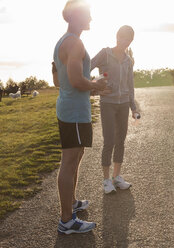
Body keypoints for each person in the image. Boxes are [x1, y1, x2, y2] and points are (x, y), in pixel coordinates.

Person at [53, 0, 107, 234]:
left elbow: (59, 80)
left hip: (72, 109)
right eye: (88, 14)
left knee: (76, 156)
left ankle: (71, 202)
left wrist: (93, 87)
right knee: (70, 160)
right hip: (74, 112)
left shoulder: (62, 42)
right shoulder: (74, 42)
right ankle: (67, 220)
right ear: (75, 16)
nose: (91, 19)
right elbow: (75, 81)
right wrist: (95, 84)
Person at [91, 25, 139, 194]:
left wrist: (133, 107)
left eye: (127, 38)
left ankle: (116, 177)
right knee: (109, 141)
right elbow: (86, 68)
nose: (123, 41)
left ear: (131, 40)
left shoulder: (128, 60)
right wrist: (95, 89)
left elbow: (130, 86)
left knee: (120, 141)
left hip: (124, 104)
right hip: (108, 104)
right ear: (116, 36)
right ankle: (106, 180)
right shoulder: (105, 53)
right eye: (121, 36)